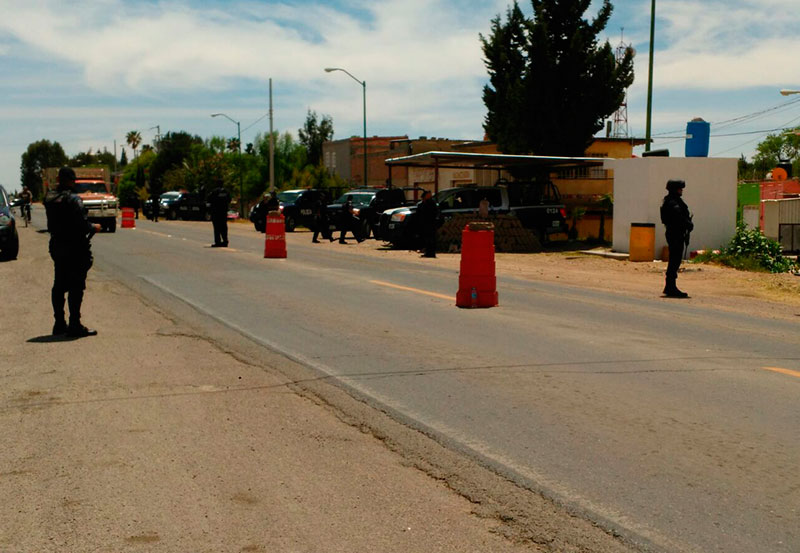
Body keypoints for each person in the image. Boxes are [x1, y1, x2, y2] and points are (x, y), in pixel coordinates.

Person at [44, 167, 100, 337]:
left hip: (58, 246)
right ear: (71, 181)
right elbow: (82, 224)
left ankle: (59, 323)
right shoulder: (74, 199)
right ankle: (74, 324)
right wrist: (94, 227)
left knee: (59, 284)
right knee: (76, 286)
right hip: (75, 248)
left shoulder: (50, 198)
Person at [660, 179, 694, 298]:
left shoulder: (672, 200)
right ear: (674, 189)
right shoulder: (672, 202)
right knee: (674, 260)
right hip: (675, 234)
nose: (681, 190)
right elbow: (678, 216)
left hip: (676, 233)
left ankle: (670, 286)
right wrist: (688, 224)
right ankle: (670, 286)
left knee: (675, 259)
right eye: (680, 189)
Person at [208, 181, 231, 247]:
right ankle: (225, 241)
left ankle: (218, 242)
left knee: (217, 227)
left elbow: (209, 199)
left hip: (216, 212)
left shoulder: (214, 191)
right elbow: (229, 200)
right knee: (224, 227)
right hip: (223, 212)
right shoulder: (226, 191)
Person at [417, 190, 439, 258]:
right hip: (425, 224)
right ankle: (427, 252)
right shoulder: (422, 203)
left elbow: (434, 213)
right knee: (426, 239)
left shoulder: (431, 203)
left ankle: (431, 253)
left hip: (431, 223)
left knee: (431, 239)